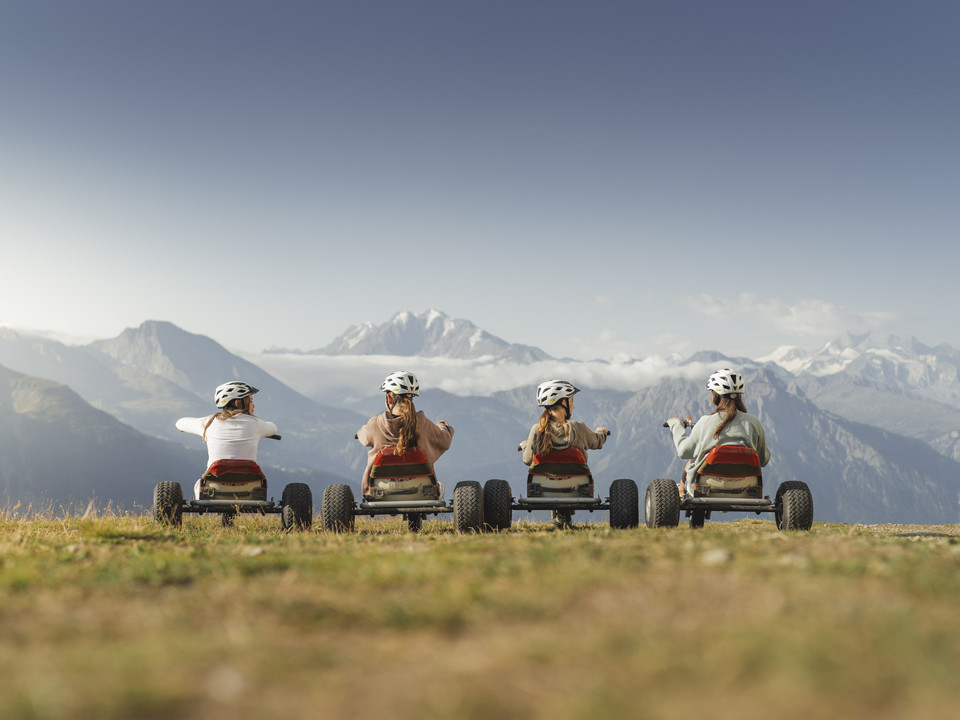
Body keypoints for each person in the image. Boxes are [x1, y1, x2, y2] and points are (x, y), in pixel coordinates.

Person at [666, 368, 770, 498]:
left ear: (716, 395)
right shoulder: (754, 422)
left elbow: (684, 452)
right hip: (747, 488)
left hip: (706, 487)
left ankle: (681, 491)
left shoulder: (704, 422)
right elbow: (764, 460)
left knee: (694, 457)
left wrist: (676, 425)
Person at [356, 371, 454, 499]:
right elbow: (445, 441)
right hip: (422, 493)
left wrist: (359, 433)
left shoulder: (375, 424)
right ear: (412, 398)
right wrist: (443, 426)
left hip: (378, 493)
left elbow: (363, 437)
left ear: (389, 398)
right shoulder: (423, 423)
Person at [175, 381, 279, 499]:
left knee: (198, 484)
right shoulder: (256, 424)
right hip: (249, 491)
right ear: (237, 402)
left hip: (214, 490)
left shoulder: (208, 422)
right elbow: (274, 428)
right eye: (250, 401)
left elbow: (179, 423)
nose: (253, 405)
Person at [520, 379, 609, 465]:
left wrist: (525, 446)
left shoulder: (537, 430)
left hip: (544, 480)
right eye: (571, 401)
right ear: (564, 402)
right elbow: (597, 441)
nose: (573, 406)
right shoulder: (578, 428)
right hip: (577, 480)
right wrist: (602, 431)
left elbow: (528, 460)